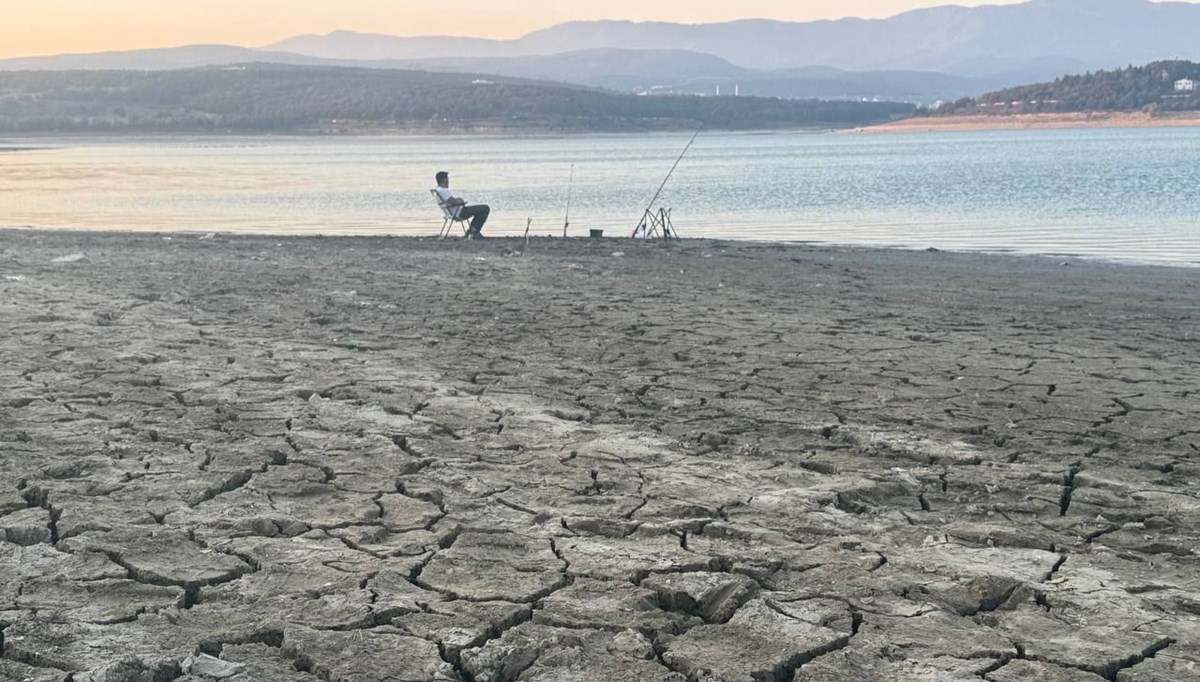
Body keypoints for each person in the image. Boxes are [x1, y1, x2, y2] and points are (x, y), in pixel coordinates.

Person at [434, 171, 490, 238]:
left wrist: (458, 200)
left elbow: (451, 200)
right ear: (444, 179)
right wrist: (460, 201)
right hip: (460, 212)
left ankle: (473, 231)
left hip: (455, 211)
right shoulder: (442, 190)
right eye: (447, 179)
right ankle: (473, 232)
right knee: (485, 208)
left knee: (481, 211)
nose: (448, 181)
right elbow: (453, 201)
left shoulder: (439, 190)